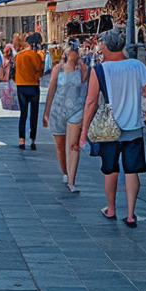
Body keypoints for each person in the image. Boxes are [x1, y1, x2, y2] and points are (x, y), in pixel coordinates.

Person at [77, 30, 146, 228]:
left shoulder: (100, 70)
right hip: (134, 126)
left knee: (110, 170)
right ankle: (130, 214)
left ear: (105, 47)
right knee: (132, 171)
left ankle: (111, 209)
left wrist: (84, 130)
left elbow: (91, 101)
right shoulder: (137, 66)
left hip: (108, 129)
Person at [44, 44, 88, 192]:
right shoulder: (58, 69)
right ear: (69, 53)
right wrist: (46, 112)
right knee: (60, 146)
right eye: (76, 52)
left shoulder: (82, 69)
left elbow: (85, 82)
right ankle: (65, 172)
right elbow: (51, 90)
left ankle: (71, 181)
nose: (79, 54)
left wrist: (81, 63)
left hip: (75, 110)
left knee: (73, 145)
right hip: (58, 111)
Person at [14, 34, 45, 150]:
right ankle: (33, 140)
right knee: (34, 115)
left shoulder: (19, 56)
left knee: (23, 114)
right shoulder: (35, 55)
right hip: (33, 86)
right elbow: (40, 70)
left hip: (21, 86)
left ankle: (21, 140)